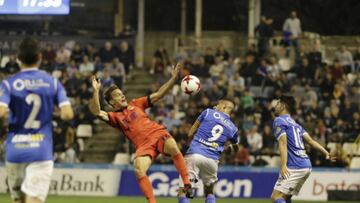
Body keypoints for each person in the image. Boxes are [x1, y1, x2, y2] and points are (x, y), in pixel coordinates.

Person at [89, 63, 192, 203]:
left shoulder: (136, 103)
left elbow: (159, 94)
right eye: (118, 96)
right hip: (143, 146)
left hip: (157, 133)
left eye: (121, 93)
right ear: (112, 103)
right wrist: (96, 91)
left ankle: (187, 183)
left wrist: (173, 79)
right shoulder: (114, 118)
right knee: (138, 169)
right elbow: (96, 112)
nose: (122, 96)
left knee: (174, 147)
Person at [0, 37, 74, 203]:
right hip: (41, 150)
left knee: (18, 201)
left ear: (18, 59)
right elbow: (68, 114)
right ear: (40, 57)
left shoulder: (8, 84)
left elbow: (1, 112)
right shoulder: (53, 83)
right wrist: (55, 112)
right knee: (33, 200)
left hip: (15, 151)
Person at [270, 95, 335, 203]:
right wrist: (326, 153)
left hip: (295, 165)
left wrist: (283, 165)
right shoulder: (296, 125)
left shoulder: (279, 120)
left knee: (276, 197)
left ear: (282, 106)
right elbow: (311, 141)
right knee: (286, 197)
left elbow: (282, 143)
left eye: (277, 104)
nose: (275, 107)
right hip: (306, 165)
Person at [178, 100, 239, 203]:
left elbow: (190, 133)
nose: (215, 105)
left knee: (183, 192)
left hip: (195, 154)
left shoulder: (208, 112)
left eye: (218, 104)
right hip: (212, 161)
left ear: (224, 107)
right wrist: (228, 149)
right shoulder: (233, 128)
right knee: (209, 192)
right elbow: (236, 148)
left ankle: (188, 190)